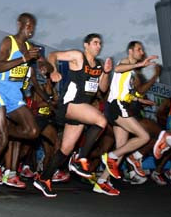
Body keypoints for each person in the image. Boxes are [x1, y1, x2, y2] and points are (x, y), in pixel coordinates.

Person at [0, 13, 44, 203]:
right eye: (27, 25)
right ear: (20, 24)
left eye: (33, 26)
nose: (30, 29)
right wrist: (23, 58)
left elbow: (38, 70)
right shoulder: (8, 42)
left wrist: (46, 66)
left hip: (14, 93)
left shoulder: (29, 47)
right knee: (2, 141)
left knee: (33, 131)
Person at [34, 33, 112, 198]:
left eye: (100, 44)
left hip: (81, 110)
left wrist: (106, 73)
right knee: (101, 120)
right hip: (70, 104)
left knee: (65, 149)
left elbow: (103, 89)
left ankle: (44, 178)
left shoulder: (98, 65)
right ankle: (80, 159)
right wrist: (54, 70)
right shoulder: (78, 56)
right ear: (86, 45)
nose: (99, 46)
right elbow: (53, 55)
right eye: (95, 43)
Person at [93, 41, 157, 196]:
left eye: (142, 49)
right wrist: (139, 64)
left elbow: (125, 92)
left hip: (118, 106)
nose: (142, 52)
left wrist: (140, 100)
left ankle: (102, 181)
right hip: (117, 106)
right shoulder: (125, 62)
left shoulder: (131, 72)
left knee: (122, 147)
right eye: (138, 49)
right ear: (130, 51)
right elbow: (117, 68)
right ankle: (112, 157)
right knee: (144, 136)